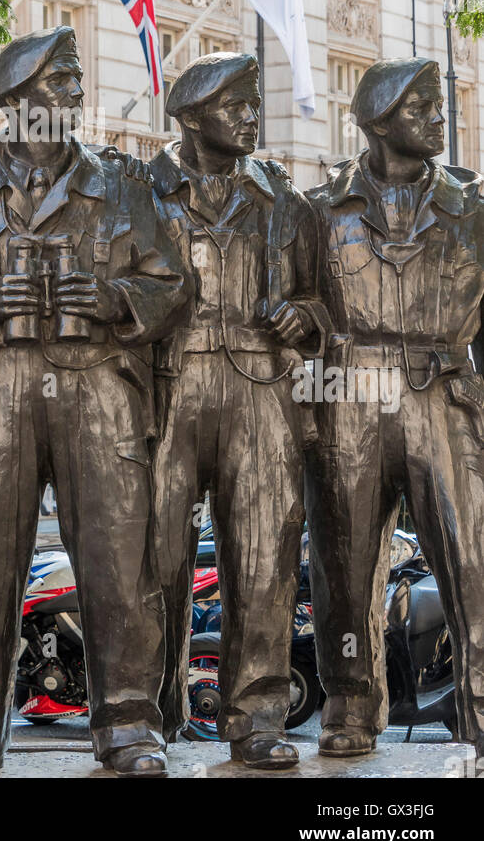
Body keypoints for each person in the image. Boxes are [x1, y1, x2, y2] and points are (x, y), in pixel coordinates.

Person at [0, 26, 188, 778]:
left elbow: (170, 287)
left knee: (119, 559)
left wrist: (117, 298)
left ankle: (127, 723)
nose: (76, 93)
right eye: (60, 82)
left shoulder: (123, 187)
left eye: (74, 80)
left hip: (99, 388)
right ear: (18, 101)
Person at [151, 52, 328, 768]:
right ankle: (147, 715)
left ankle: (257, 718)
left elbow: (324, 306)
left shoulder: (286, 202)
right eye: (236, 105)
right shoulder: (144, 193)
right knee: (151, 557)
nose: (253, 116)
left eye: (254, 103)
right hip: (171, 386)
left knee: (264, 557)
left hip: (262, 389)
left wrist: (305, 317)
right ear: (192, 117)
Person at [306, 57, 484, 759]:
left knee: (473, 559)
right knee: (344, 561)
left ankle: (480, 706)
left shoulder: (473, 211)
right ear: (379, 122)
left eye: (440, 107)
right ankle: (350, 705)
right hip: (350, 395)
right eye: (423, 110)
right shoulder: (320, 211)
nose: (441, 120)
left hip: (443, 394)